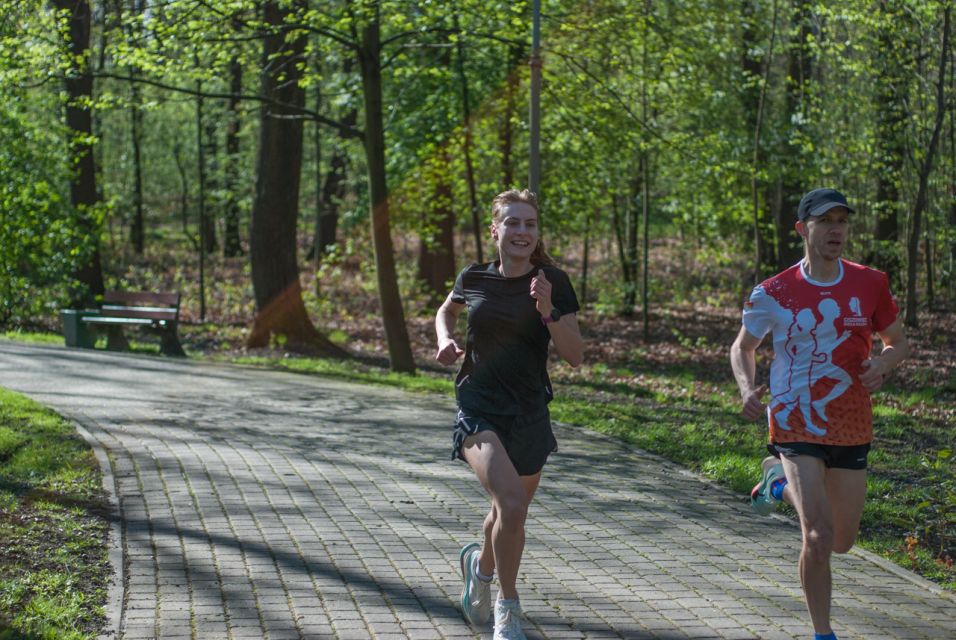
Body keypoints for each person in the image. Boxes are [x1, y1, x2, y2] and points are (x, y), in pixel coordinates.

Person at [730, 188, 909, 640]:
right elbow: (743, 347)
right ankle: (822, 633)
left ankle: (776, 485)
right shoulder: (773, 291)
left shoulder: (870, 283)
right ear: (802, 229)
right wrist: (747, 389)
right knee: (818, 536)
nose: (836, 229)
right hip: (794, 418)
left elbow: (897, 341)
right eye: (825, 221)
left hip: (851, 421)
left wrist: (883, 365)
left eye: (842, 221)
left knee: (843, 541)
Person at [434, 189, 583, 640]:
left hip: (529, 411)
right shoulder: (473, 276)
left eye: (529, 224)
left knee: (508, 513)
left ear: (537, 233)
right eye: (513, 223)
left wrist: (547, 311)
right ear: (495, 230)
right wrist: (444, 338)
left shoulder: (553, 280)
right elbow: (446, 310)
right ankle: (508, 608)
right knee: (512, 504)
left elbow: (575, 356)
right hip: (479, 406)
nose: (522, 231)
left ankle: (479, 569)